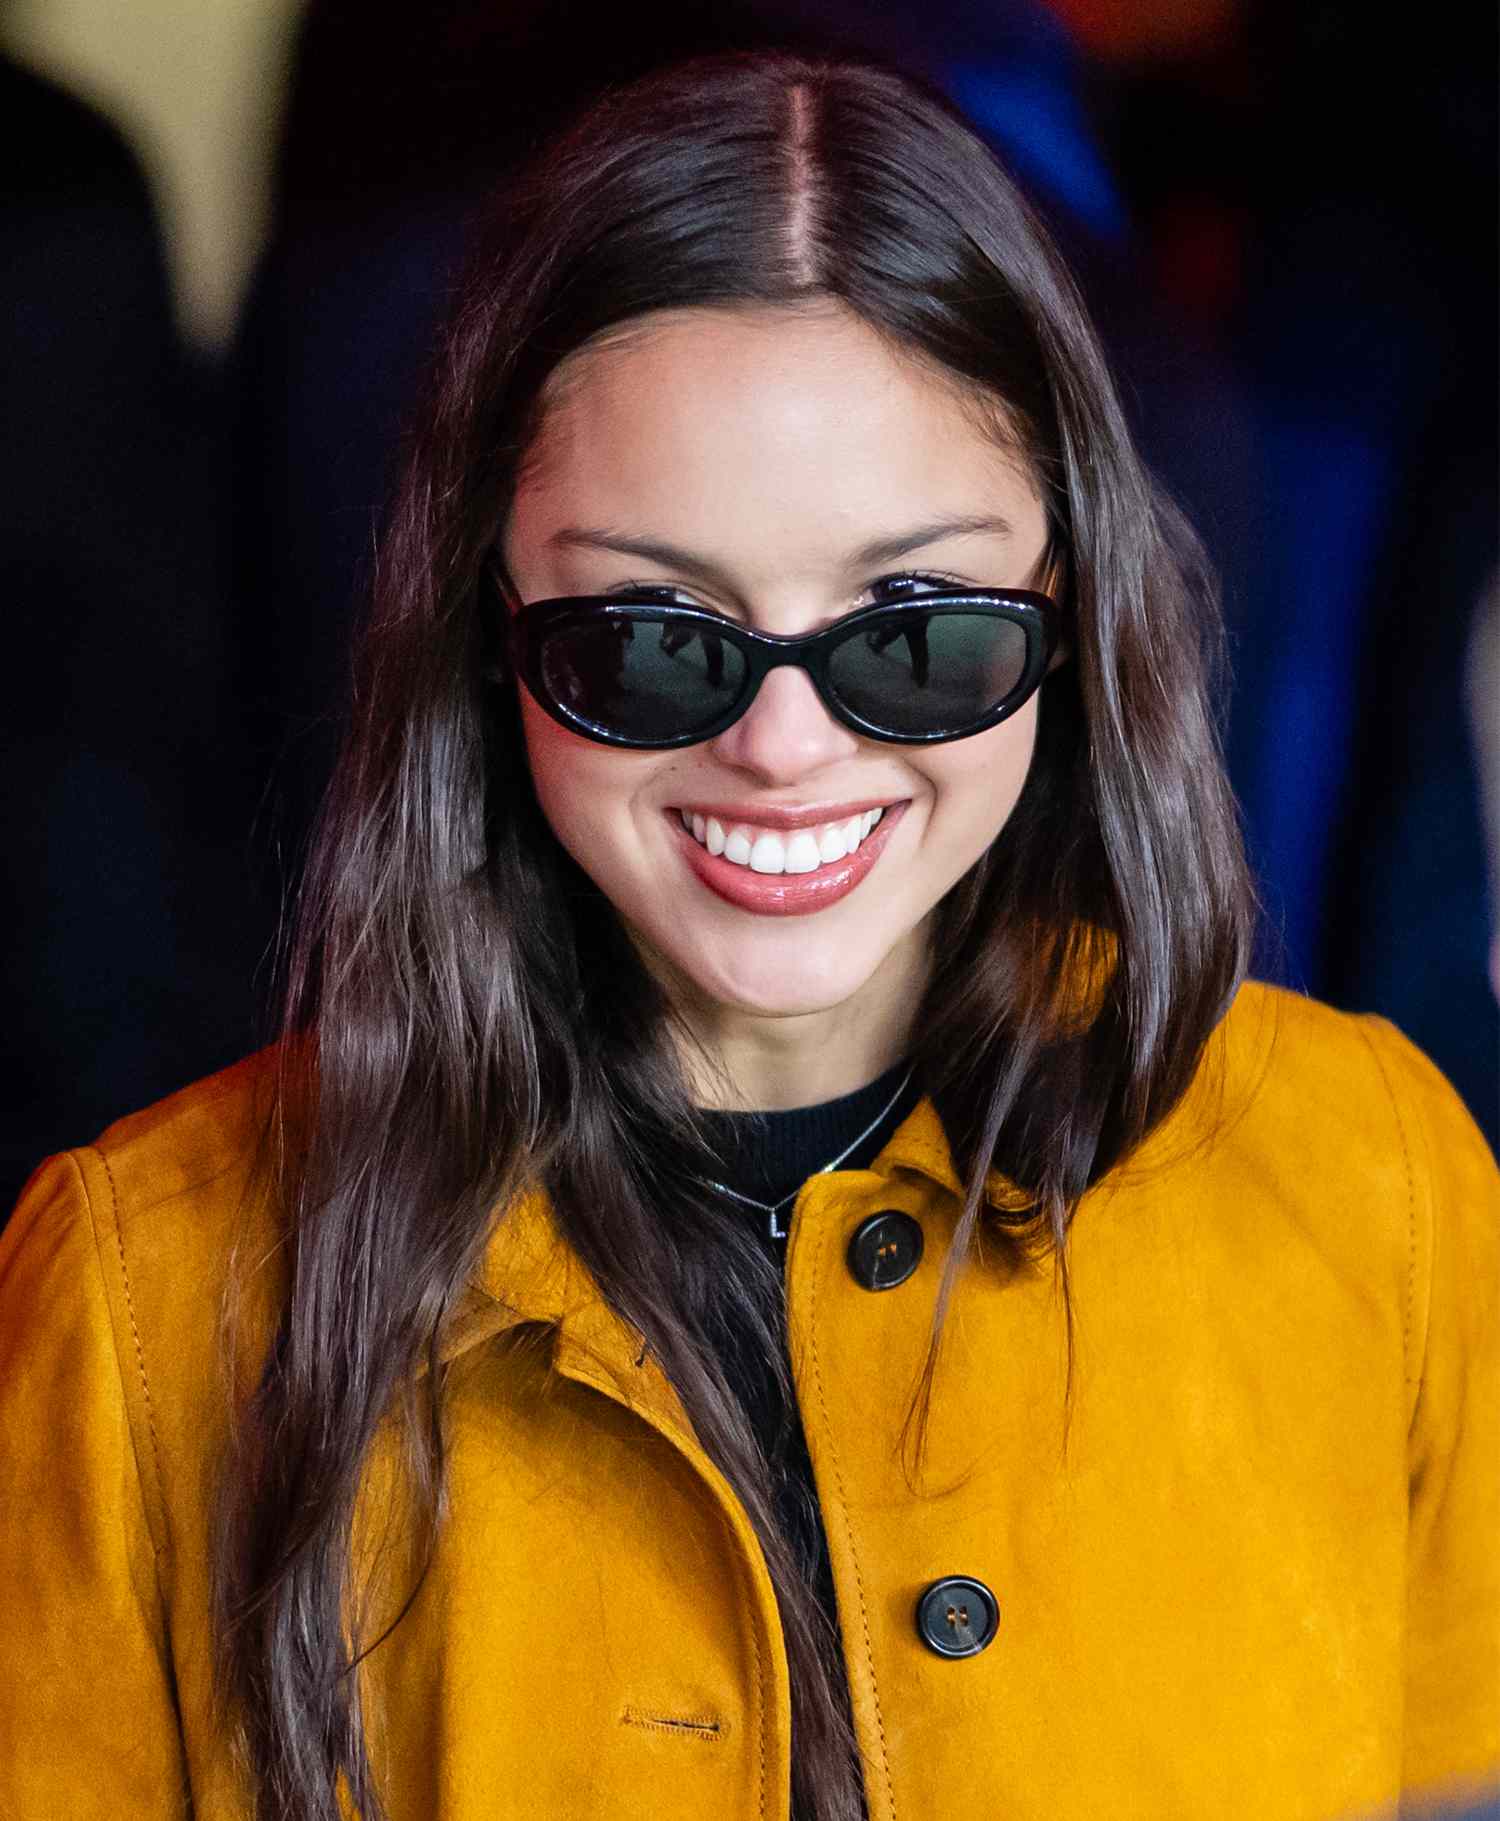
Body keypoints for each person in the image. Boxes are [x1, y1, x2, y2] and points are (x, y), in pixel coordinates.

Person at [0, 46, 1495, 1821]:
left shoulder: (1367, 1177)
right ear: (492, 627)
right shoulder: (143, 1306)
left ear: (1073, 608)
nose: (786, 748)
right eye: (653, 640)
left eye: (916, 635)